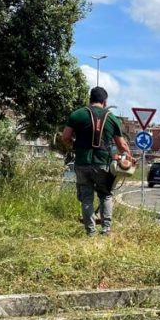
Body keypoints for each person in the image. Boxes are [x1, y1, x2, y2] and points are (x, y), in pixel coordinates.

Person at [61, 87, 131, 237]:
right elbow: (122, 145)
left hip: (82, 162)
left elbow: (65, 137)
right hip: (102, 163)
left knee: (86, 197)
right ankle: (106, 230)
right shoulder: (112, 118)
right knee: (105, 195)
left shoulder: (77, 115)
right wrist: (127, 158)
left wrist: (75, 146)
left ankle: (90, 232)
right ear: (105, 101)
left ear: (90, 99)